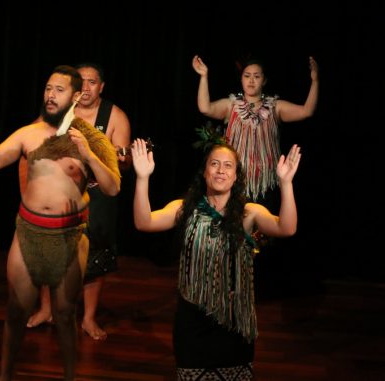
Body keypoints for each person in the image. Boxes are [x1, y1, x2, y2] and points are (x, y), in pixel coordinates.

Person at [0, 65, 120, 381]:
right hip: (28, 233)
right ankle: (4, 376)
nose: (50, 95)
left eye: (59, 90)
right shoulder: (30, 133)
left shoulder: (90, 138)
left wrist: (89, 156)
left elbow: (112, 188)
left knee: (66, 315)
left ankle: (69, 375)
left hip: (70, 237)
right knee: (15, 311)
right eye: (48, 88)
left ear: (77, 96)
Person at [131, 138, 301, 380]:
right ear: (204, 172)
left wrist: (286, 184)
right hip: (193, 319)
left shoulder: (249, 213)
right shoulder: (184, 208)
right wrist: (142, 178)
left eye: (228, 165)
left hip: (234, 320)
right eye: (215, 164)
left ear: (236, 176)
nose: (221, 170)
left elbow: (287, 228)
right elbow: (144, 222)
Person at [26, 62, 131, 341]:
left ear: (101, 87)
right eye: (80, 81)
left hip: (97, 195)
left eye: (92, 82)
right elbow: (31, 144)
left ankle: (88, 318)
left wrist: (121, 157)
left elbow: (125, 163)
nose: (85, 87)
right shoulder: (57, 112)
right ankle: (46, 309)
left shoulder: (115, 116)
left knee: (95, 257)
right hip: (59, 194)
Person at [192, 55, 317, 202]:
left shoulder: (275, 107)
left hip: (266, 184)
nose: (251, 80)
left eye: (256, 76)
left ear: (264, 80)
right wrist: (204, 76)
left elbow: (307, 111)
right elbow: (205, 108)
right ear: (241, 79)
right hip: (234, 182)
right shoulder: (230, 105)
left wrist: (315, 81)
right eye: (247, 76)